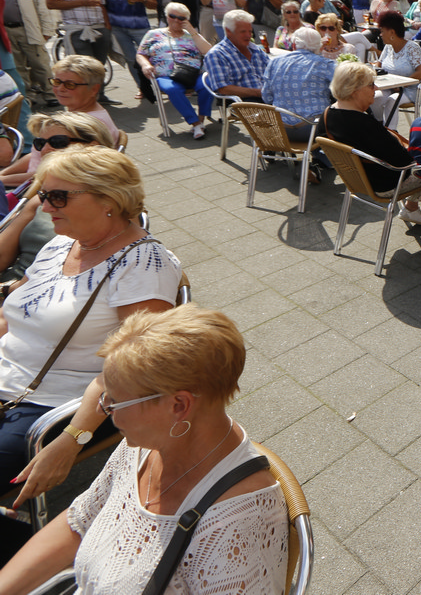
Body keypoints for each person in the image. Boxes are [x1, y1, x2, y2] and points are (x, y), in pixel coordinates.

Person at [0, 305, 287, 593]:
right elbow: (80, 522)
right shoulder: (146, 445)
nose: (104, 410)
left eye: (114, 402)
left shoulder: (237, 524)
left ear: (179, 405)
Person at [0, 147, 183, 551]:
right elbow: (14, 312)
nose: (44, 206)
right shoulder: (60, 245)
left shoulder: (144, 264)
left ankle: (28, 559)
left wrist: (72, 438)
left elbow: (132, 369)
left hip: (48, 405)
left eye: (57, 196)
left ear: (109, 200)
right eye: (42, 194)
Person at [0, 112, 116, 284]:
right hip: (12, 285)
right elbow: (2, 255)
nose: (45, 150)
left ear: (93, 147)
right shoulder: (41, 198)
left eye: (58, 142)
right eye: (41, 143)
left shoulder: (113, 202)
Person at [0, 55, 119, 188]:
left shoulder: (85, 127)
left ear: (94, 89)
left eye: (70, 85)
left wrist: (2, 180)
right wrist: (3, 174)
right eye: (57, 82)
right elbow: (36, 154)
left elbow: (54, 175)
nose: (60, 88)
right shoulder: (78, 115)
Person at [321, 61, 421, 207]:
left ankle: (412, 211)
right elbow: (404, 161)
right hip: (386, 184)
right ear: (354, 90)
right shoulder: (364, 124)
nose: (376, 88)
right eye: (371, 85)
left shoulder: (327, 115)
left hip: (357, 180)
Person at [137, 2, 214, 139]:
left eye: (181, 18)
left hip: (192, 73)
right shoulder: (153, 34)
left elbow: (208, 51)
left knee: (207, 83)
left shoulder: (192, 35)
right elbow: (141, 53)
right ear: (166, 16)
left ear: (187, 20)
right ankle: (195, 123)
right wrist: (145, 65)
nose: (176, 20)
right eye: (172, 16)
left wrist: (192, 31)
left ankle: (201, 120)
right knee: (173, 89)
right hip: (166, 75)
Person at [44, 0, 112, 91]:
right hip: (77, 30)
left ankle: (100, 95)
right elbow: (51, 3)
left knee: (99, 66)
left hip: (99, 28)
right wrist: (82, 2)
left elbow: (102, 4)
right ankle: (86, 97)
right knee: (84, 67)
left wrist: (107, 26)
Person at [0, 0, 58, 108]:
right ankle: (27, 96)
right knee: (17, 66)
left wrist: (47, 30)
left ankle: (50, 93)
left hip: (27, 28)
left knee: (40, 64)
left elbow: (42, 6)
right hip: (5, 31)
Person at [260, 26, 335, 147]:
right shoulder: (326, 64)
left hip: (280, 129)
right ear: (319, 46)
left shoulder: (274, 62)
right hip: (313, 129)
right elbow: (344, 92)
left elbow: (266, 97)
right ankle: (329, 156)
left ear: (294, 44)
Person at [97, 0, 157, 93]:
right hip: (117, 28)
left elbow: (154, 4)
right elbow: (100, 4)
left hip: (140, 27)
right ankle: (143, 88)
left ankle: (158, 85)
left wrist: (142, 0)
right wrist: (106, 23)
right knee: (131, 59)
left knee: (150, 57)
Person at [373, 11, 421, 129]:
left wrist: (402, 84)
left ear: (392, 32)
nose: (380, 35)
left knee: (392, 101)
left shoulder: (412, 48)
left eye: (382, 31)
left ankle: (391, 133)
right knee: (375, 98)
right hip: (390, 87)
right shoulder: (388, 47)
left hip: (413, 88)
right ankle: (378, 128)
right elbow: (379, 64)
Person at [203, 9, 268, 104]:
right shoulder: (217, 54)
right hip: (243, 103)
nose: (248, 35)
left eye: (250, 31)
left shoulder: (256, 50)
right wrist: (259, 93)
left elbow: (273, 73)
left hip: (268, 98)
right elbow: (223, 88)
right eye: (243, 32)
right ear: (228, 31)